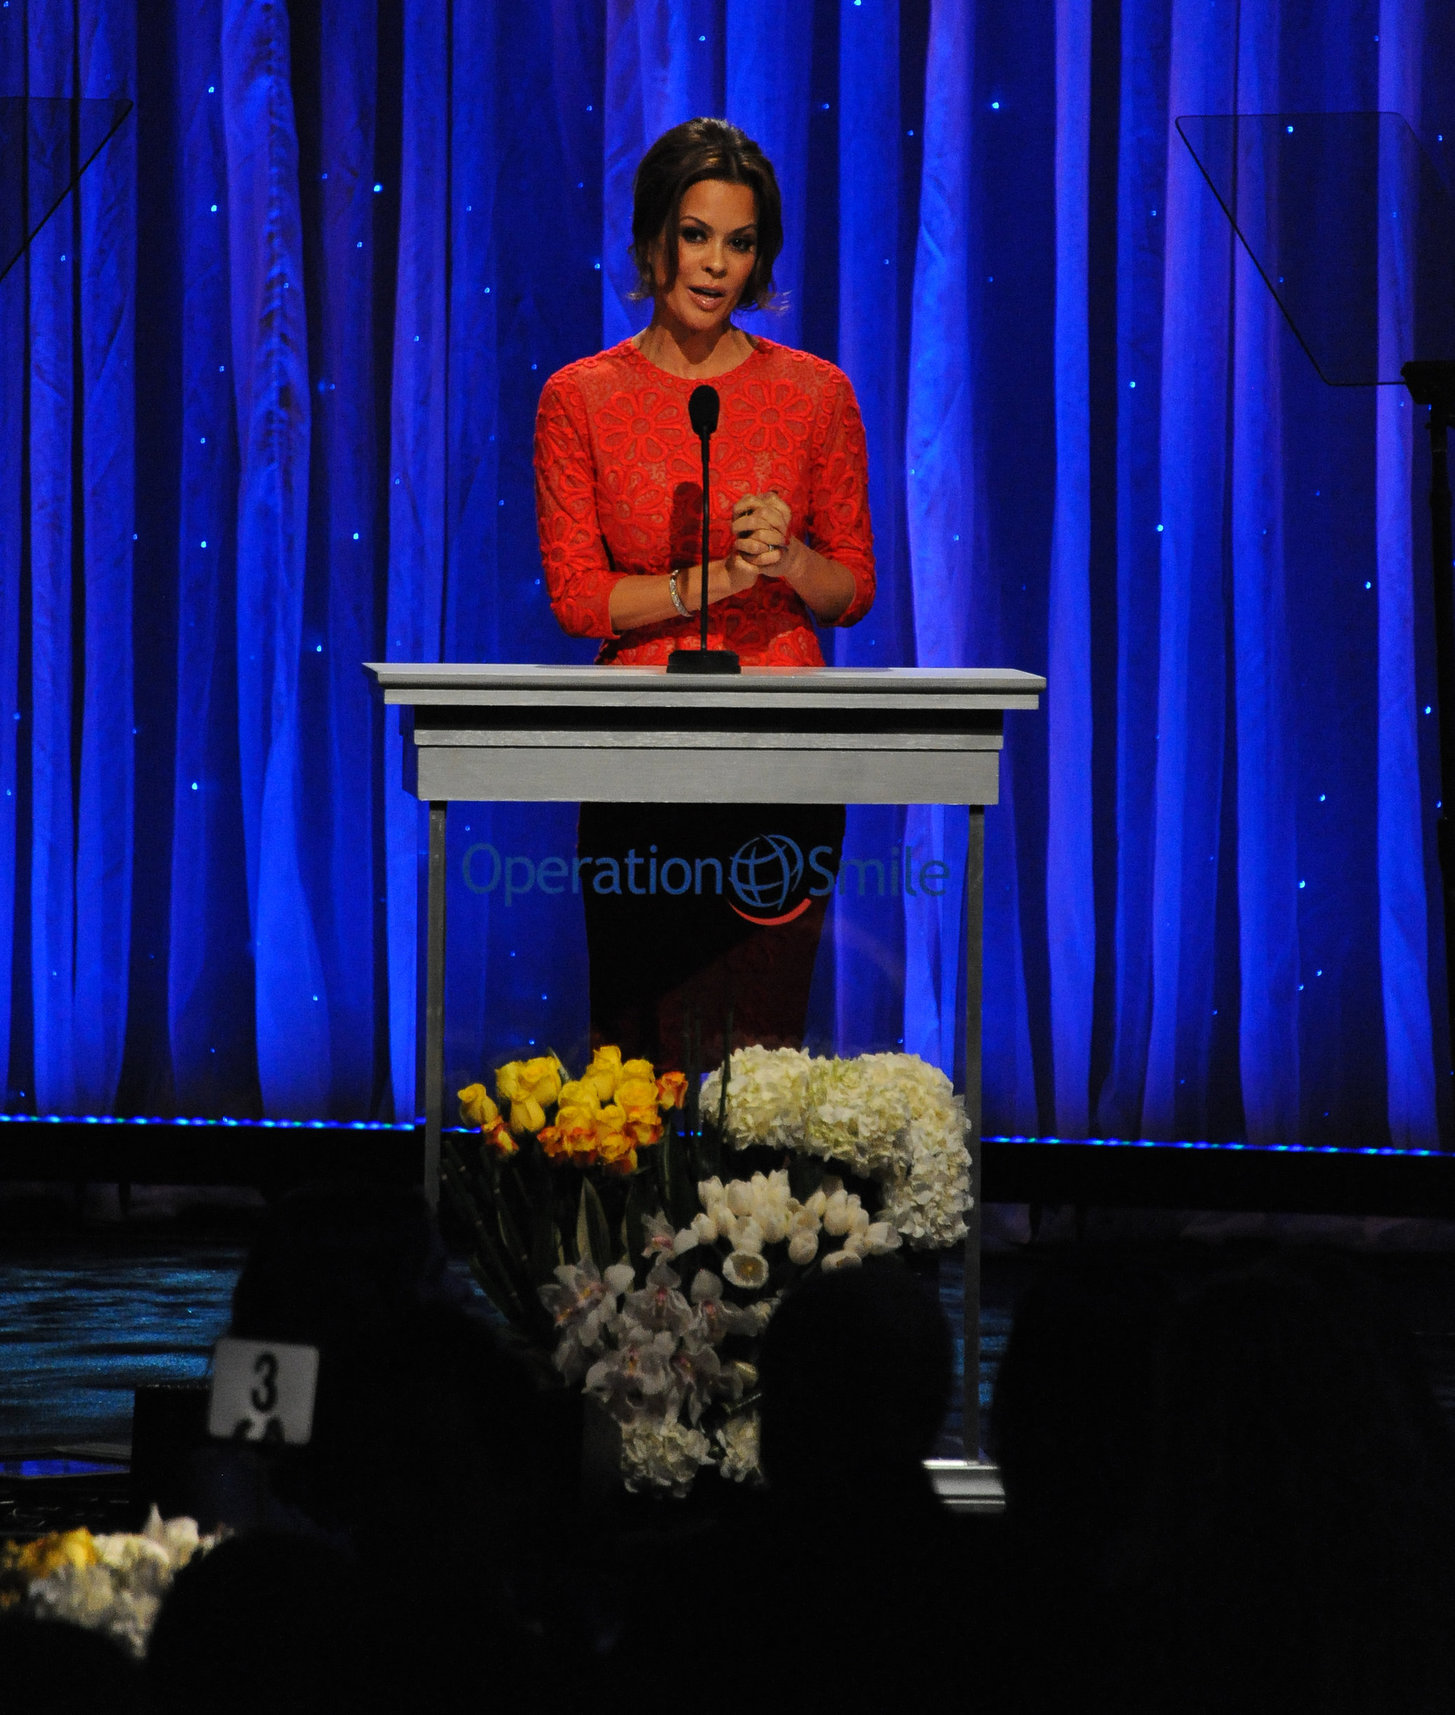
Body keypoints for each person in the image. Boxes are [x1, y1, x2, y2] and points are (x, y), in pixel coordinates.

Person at [534, 117, 875, 1067]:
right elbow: (578, 599)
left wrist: (789, 561)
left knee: (760, 1050)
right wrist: (713, 580)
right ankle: (633, 1217)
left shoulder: (816, 394)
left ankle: (760, 1220)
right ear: (652, 239)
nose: (715, 264)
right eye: (694, 234)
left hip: (783, 753)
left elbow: (852, 590)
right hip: (640, 750)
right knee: (641, 1046)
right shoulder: (580, 397)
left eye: (739, 241)